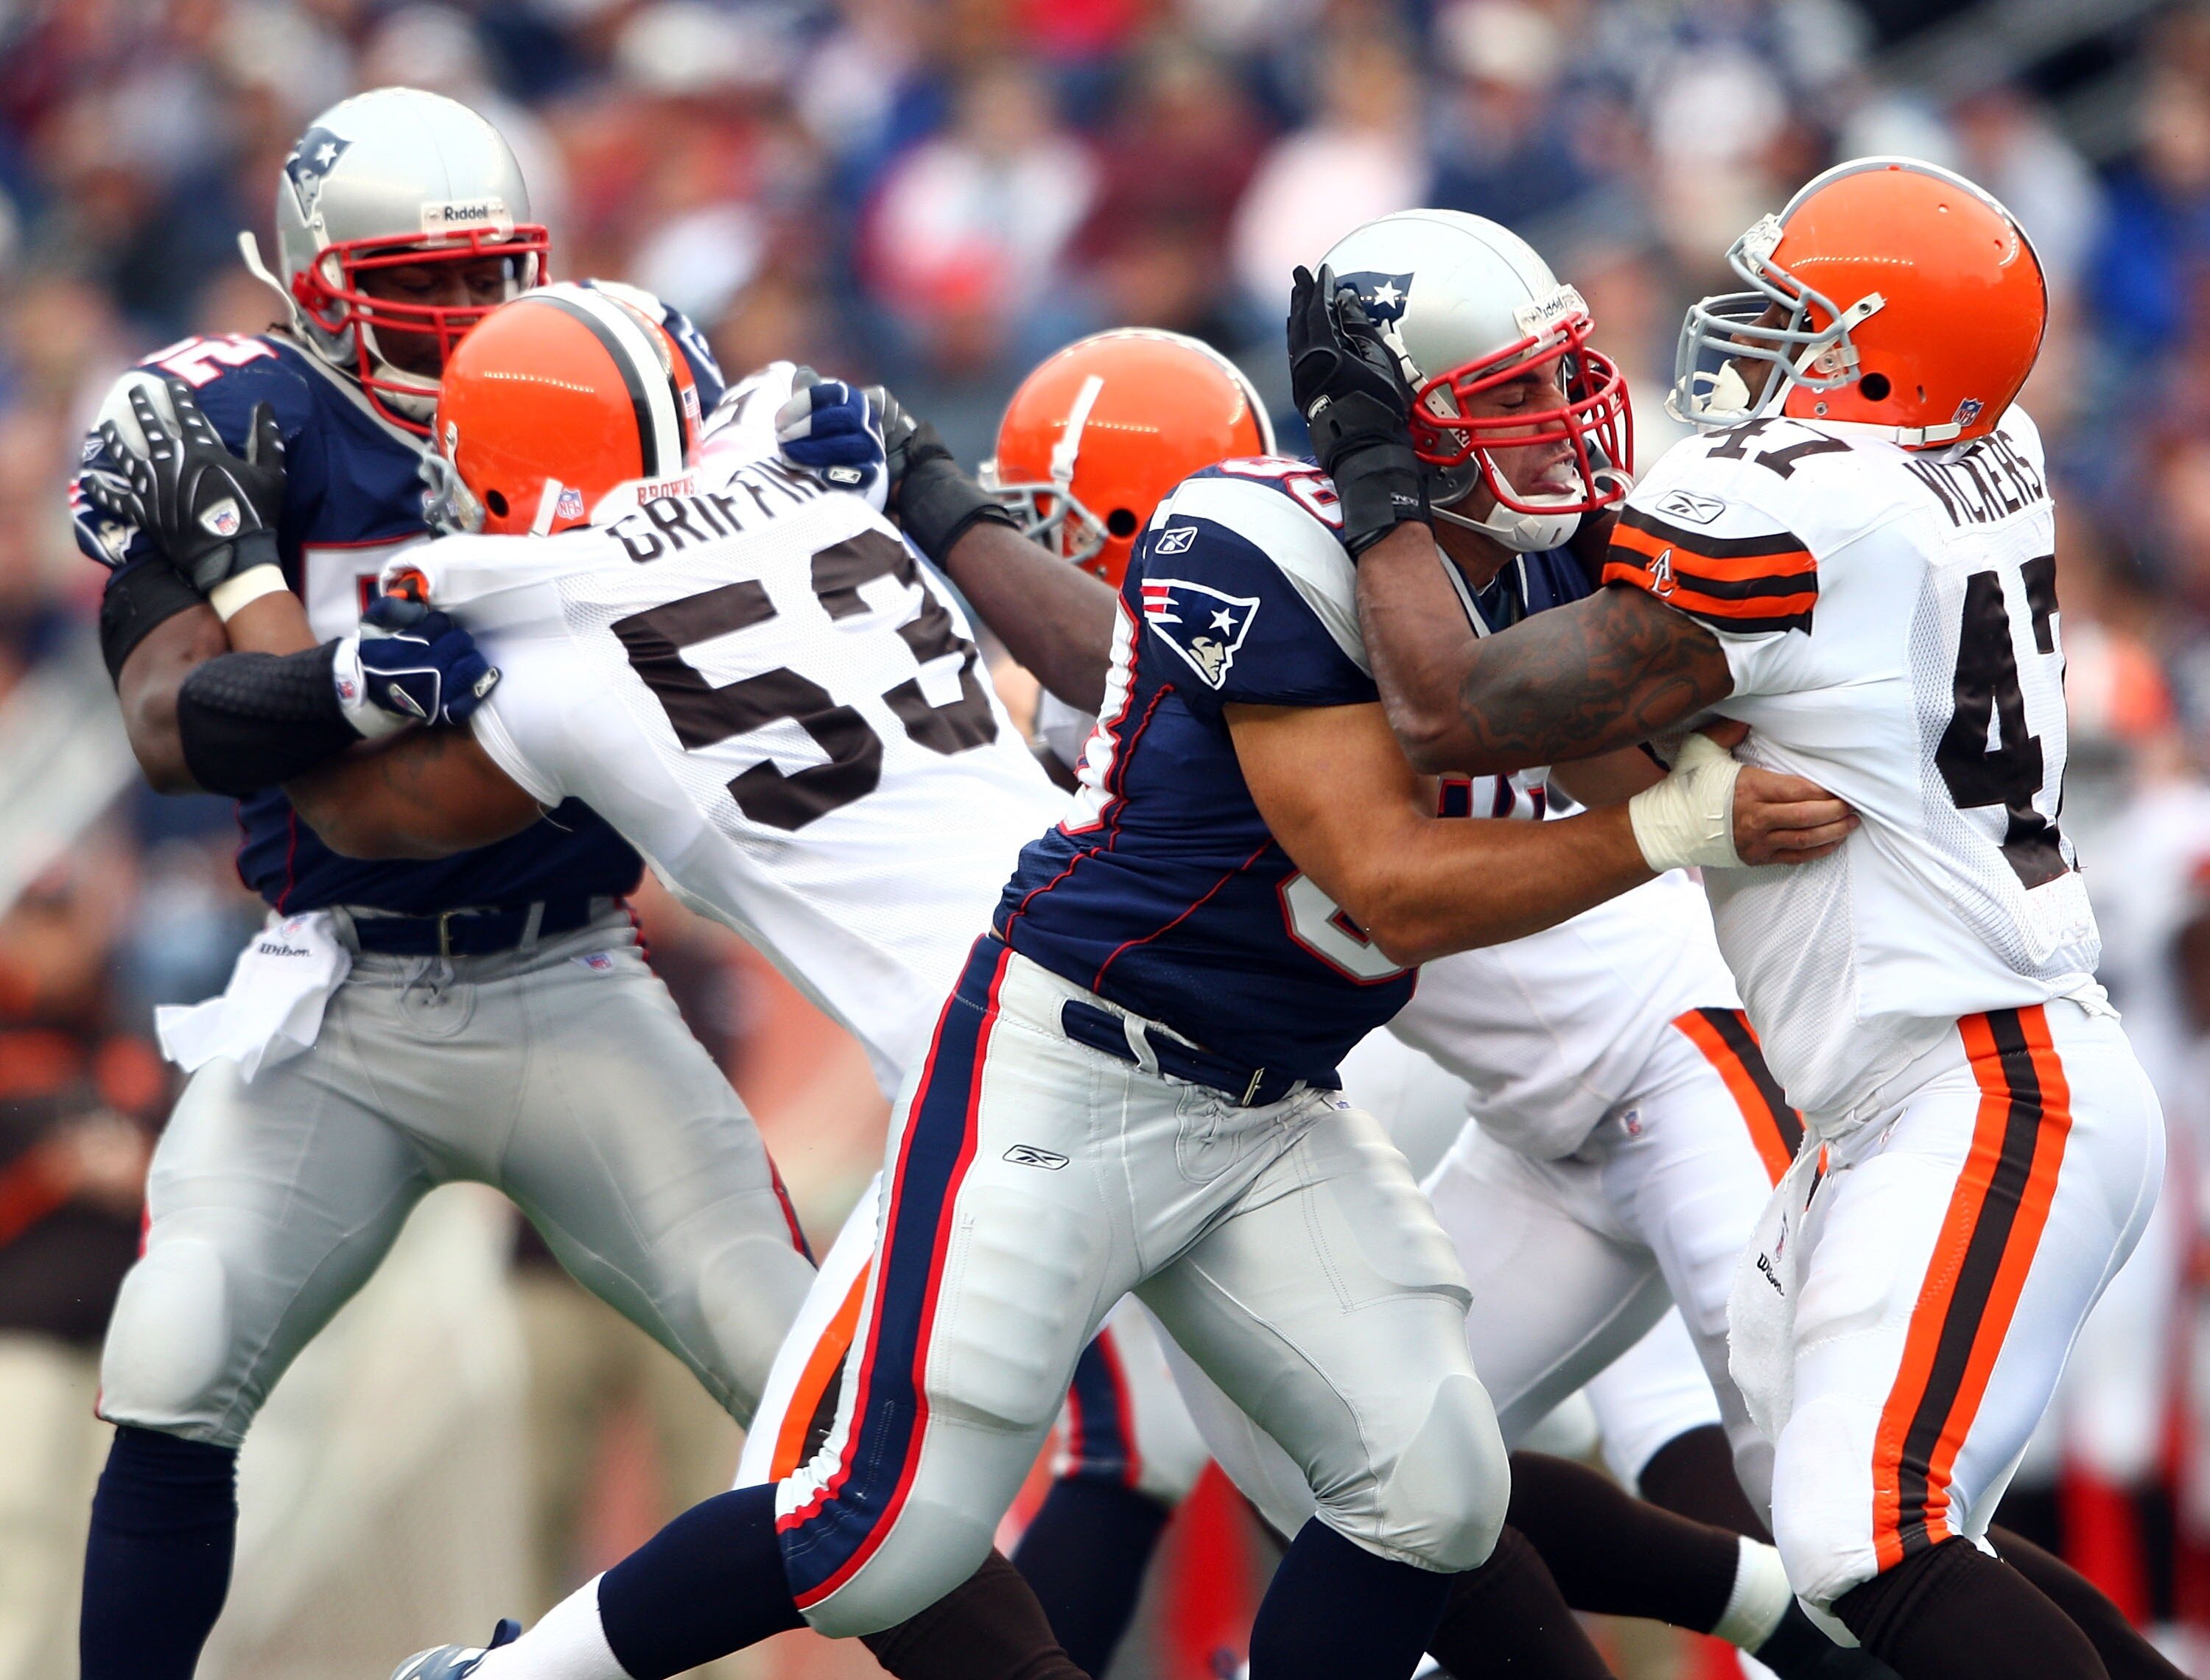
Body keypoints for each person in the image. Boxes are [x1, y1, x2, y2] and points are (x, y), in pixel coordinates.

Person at [1337, 156, 2178, 1680]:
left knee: (1874, 1536)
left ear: (1884, 352)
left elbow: (1455, 713)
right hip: (1925, 1084)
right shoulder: (1980, 453)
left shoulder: (1813, 506)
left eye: (1798, 320)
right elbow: (1626, 725)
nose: (1755, 351)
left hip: (1978, 1081)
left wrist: (1379, 485)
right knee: (1870, 1548)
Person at [970, 312, 1887, 1680]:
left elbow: (1434, 769)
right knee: (1351, 1456)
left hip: (1682, 1053)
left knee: (1843, 1503)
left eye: (1047, 520)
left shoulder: (1454, 592)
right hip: (1528, 1126)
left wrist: (952, 521)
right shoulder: (1272, 625)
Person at [63, 88, 812, 1680]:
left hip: (572, 972)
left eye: (495, 280)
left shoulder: (606, 382)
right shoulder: (238, 424)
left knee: (816, 1390)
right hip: (339, 989)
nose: (472, 323)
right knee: (175, 1351)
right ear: (320, 289)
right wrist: (343, 677)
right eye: (427, 287)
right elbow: (163, 731)